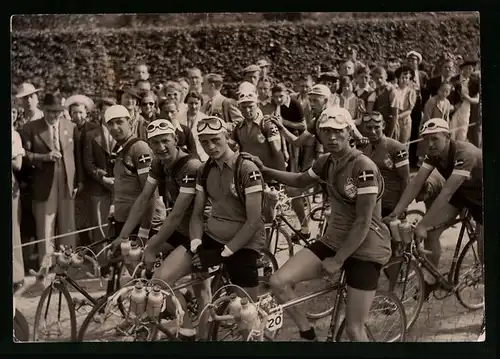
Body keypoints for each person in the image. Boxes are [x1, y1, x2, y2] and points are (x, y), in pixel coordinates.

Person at [243, 106, 391, 341]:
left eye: (337, 131)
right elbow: (301, 180)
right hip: (334, 240)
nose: (332, 137)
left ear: (349, 132)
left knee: (354, 329)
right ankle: (307, 332)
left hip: (366, 247)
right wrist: (264, 170)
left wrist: (339, 260)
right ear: (319, 134)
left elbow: (363, 222)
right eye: (326, 132)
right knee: (278, 282)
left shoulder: (364, 168)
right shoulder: (326, 161)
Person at [114, 119, 207, 339]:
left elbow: (175, 215)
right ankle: (183, 298)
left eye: (165, 141)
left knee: (162, 280)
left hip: (200, 230)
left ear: (176, 139)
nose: (160, 147)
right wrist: (123, 236)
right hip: (181, 229)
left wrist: (152, 247)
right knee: (133, 256)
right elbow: (144, 198)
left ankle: (189, 332)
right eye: (154, 143)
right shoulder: (158, 163)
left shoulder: (191, 166)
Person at [384, 118, 483, 300]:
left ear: (448, 137)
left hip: (484, 199)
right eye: (426, 139)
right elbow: (416, 183)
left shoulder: (465, 153)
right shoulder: (434, 155)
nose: (429, 144)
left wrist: (422, 224)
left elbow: (445, 193)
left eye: (434, 139)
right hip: (461, 194)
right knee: (431, 232)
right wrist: (395, 212)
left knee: (486, 256)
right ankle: (431, 279)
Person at [190, 116, 266, 301]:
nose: (211, 147)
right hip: (215, 236)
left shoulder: (247, 168)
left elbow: (254, 221)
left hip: (244, 242)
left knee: (246, 311)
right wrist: (196, 245)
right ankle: (199, 325)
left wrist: (224, 253)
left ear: (227, 137)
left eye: (216, 140)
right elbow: (197, 214)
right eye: (205, 143)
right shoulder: (204, 169)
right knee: (174, 271)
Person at [20, 93, 82, 270]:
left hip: (67, 181)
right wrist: (44, 157)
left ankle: (67, 264)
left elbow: (76, 156)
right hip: (43, 183)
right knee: (46, 225)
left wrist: (77, 182)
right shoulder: (30, 128)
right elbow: (24, 156)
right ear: (44, 110)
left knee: (68, 224)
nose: (55, 115)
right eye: (51, 112)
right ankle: (46, 266)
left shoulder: (70, 126)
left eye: (58, 112)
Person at [104, 105, 156, 242]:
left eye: (119, 122)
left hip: (138, 225)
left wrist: (144, 233)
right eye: (110, 124)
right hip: (124, 222)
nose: (115, 127)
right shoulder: (119, 148)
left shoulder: (139, 148)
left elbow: (150, 194)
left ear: (130, 122)